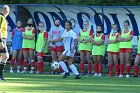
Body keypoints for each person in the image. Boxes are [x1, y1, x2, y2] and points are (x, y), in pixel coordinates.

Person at [0, 5, 10, 80]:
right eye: (7, 10)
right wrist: (1, 41)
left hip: (3, 39)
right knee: (5, 56)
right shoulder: (1, 17)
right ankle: (0, 76)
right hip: (1, 39)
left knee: (1, 57)